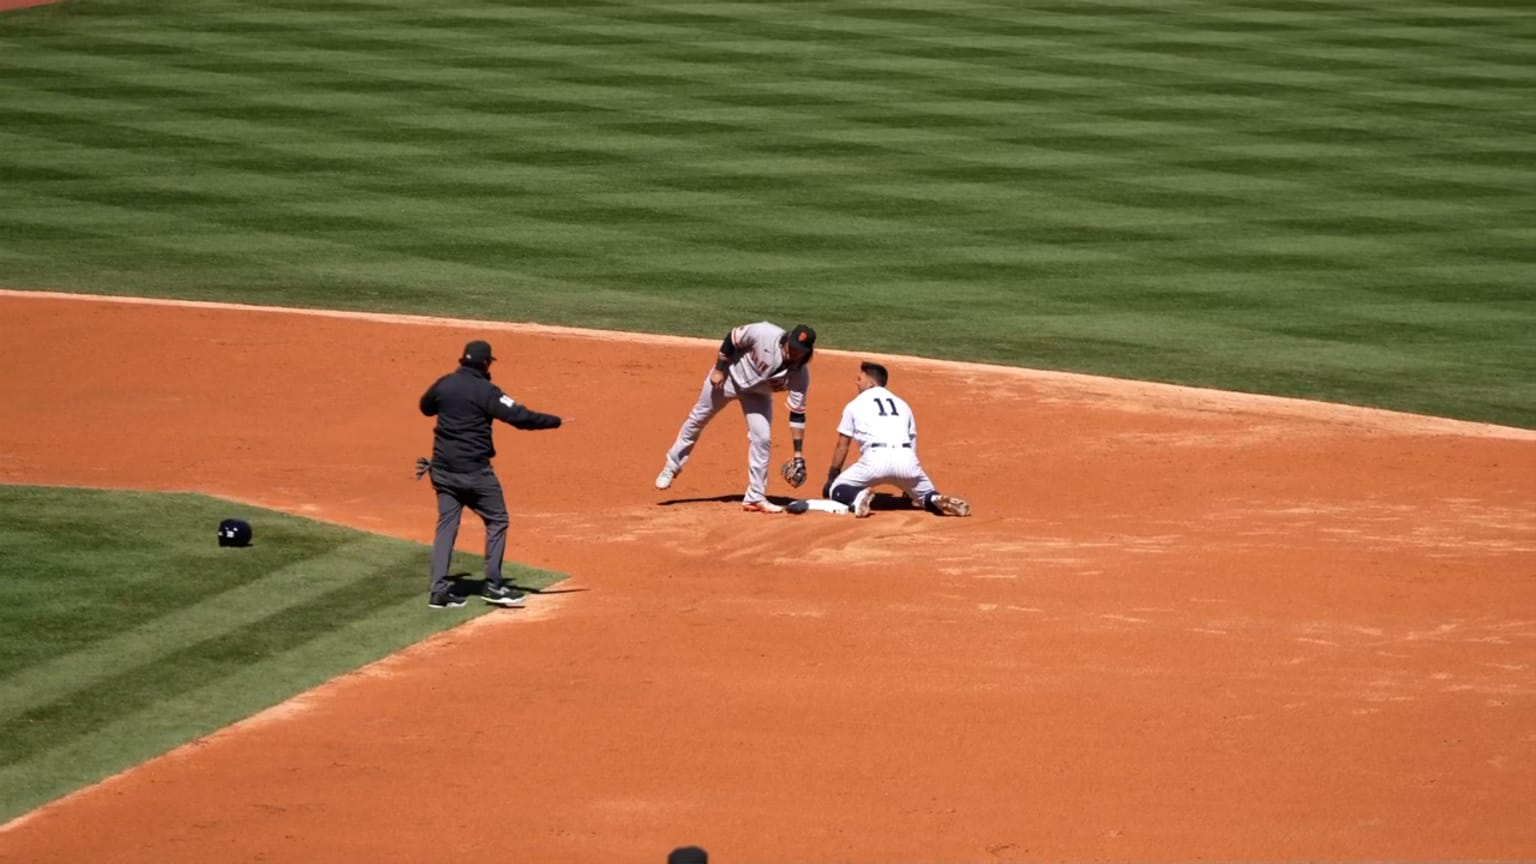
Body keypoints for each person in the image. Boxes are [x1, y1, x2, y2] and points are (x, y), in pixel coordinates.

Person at [418, 339, 564, 609]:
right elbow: (521, 418)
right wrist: (555, 421)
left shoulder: (445, 383)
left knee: (447, 525)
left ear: (463, 360)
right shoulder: (487, 391)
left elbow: (425, 407)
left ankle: (438, 591)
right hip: (475, 473)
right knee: (497, 519)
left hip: (442, 470)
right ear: (486, 364)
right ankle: (494, 586)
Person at [655, 321, 816, 513]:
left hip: (757, 395)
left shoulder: (800, 376)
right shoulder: (764, 332)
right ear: (787, 339)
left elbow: (797, 414)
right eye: (793, 346)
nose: (794, 352)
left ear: (807, 352)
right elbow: (732, 338)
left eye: (800, 350)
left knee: (762, 438)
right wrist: (719, 369)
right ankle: (672, 466)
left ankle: (755, 497)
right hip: (727, 379)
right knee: (698, 419)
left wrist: (798, 454)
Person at [820, 361, 970, 519]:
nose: (856, 382)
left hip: (875, 461)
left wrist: (832, 476)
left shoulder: (854, 405)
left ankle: (857, 498)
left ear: (870, 384)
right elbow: (912, 443)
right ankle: (934, 499)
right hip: (906, 460)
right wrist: (909, 484)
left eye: (859, 379)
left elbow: (842, 445)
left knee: (836, 488)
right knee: (925, 494)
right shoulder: (903, 404)